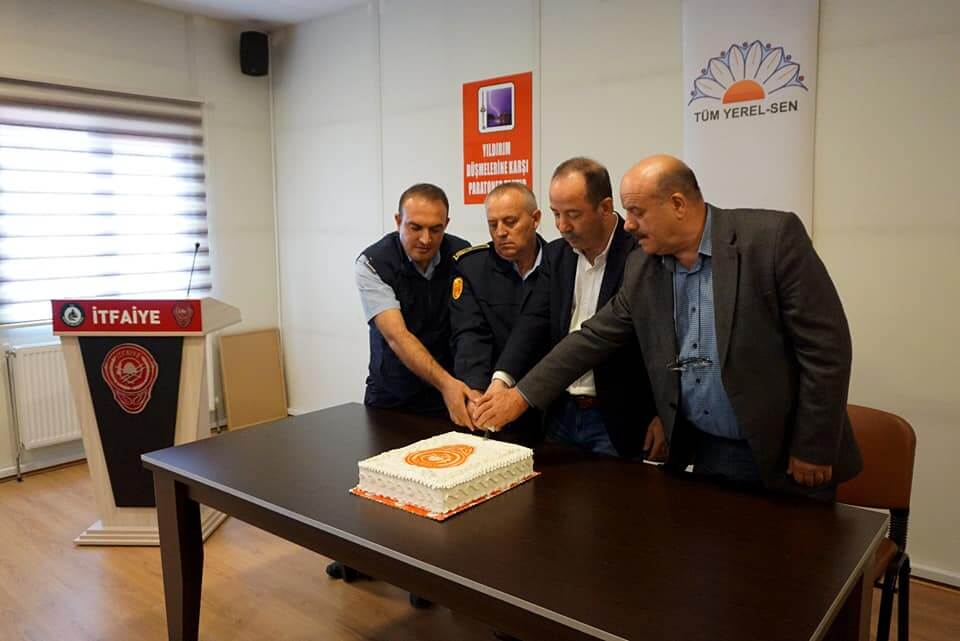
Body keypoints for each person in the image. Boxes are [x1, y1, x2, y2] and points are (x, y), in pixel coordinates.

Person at [474, 155, 862, 499]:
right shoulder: (644, 266)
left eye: (637, 212)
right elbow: (593, 337)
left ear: (677, 204)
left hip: (784, 452)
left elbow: (825, 348)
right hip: (707, 451)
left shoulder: (770, 240)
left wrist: (813, 446)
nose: (628, 224)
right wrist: (521, 395)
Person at [333, 183, 471, 596]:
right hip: (391, 392)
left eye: (435, 229)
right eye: (415, 227)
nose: (426, 239)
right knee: (382, 486)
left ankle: (423, 579)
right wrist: (448, 384)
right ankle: (362, 560)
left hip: (445, 395)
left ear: (447, 224)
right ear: (398, 222)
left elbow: (471, 327)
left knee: (439, 490)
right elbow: (396, 336)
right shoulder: (372, 263)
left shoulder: (464, 256)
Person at [482, 158, 659, 459]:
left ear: (605, 207)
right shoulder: (556, 255)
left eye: (573, 214)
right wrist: (502, 380)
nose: (562, 226)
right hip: (560, 412)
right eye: (556, 214)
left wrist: (663, 414)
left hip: (621, 418)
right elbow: (533, 323)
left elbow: (661, 340)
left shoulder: (640, 254)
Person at [449, 182, 546, 444]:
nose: (501, 232)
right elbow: (470, 335)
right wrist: (475, 393)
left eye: (510, 222)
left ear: (535, 219)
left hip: (549, 403)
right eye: (493, 224)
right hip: (491, 399)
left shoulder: (559, 262)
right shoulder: (472, 267)